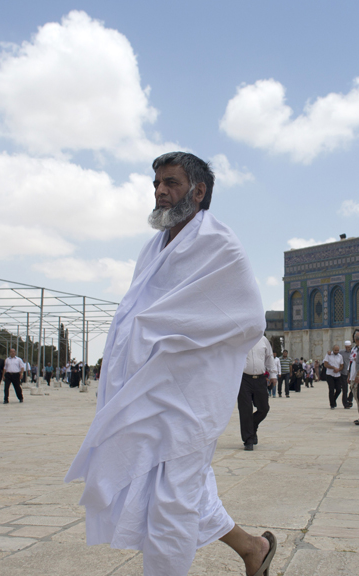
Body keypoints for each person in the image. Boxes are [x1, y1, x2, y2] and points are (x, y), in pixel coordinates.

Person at [65, 151, 276, 576]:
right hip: (149, 388)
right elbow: (135, 313)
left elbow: (248, 318)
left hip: (190, 394)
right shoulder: (153, 248)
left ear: (198, 191)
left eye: (172, 183)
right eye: (157, 183)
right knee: (176, 485)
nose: (161, 191)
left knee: (173, 498)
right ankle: (253, 549)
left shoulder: (219, 244)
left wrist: (168, 333)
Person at [239, 336, 278, 451]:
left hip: (260, 379)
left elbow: (269, 357)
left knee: (264, 408)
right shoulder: (240, 339)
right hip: (243, 379)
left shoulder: (263, 340)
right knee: (245, 409)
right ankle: (248, 439)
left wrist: (273, 375)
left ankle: (252, 426)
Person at [323, 344, 345, 409]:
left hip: (337, 375)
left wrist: (339, 369)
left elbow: (342, 365)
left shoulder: (340, 356)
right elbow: (325, 364)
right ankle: (332, 404)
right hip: (330, 374)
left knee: (338, 389)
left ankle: (333, 400)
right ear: (333, 349)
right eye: (335, 350)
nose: (336, 351)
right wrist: (333, 368)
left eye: (338, 350)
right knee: (331, 389)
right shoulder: (328, 355)